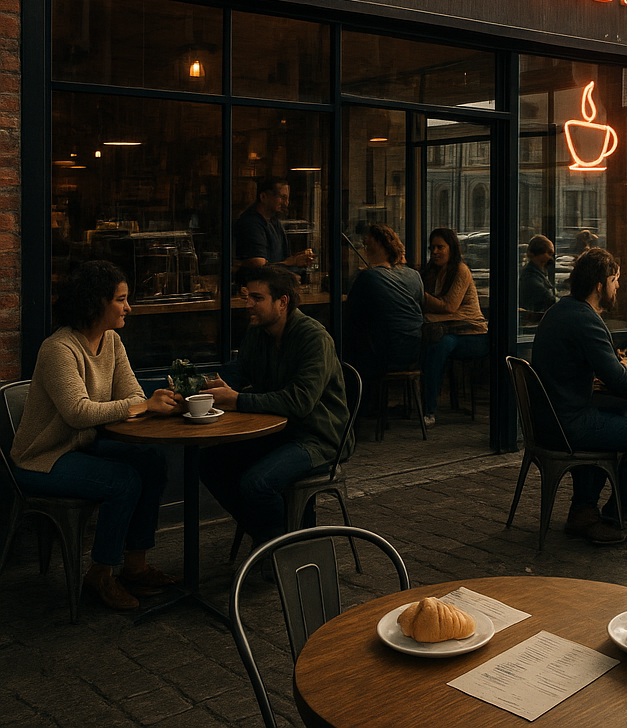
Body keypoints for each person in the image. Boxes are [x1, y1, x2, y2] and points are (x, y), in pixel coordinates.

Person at [10, 261, 182, 610]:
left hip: (81, 446)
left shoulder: (112, 341)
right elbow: (78, 413)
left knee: (151, 461)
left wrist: (141, 405)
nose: (128, 307)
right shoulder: (59, 349)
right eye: (121, 299)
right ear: (96, 303)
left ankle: (134, 567)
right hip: (42, 458)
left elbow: (133, 395)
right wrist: (142, 406)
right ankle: (100, 574)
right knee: (122, 481)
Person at [200, 266, 350, 549]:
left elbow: (300, 402)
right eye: (247, 297)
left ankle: (283, 549)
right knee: (210, 462)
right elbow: (241, 370)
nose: (248, 305)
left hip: (317, 437)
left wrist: (237, 400)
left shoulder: (313, 338)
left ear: (283, 302)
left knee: (256, 483)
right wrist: (203, 386)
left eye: (256, 298)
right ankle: (274, 536)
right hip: (277, 431)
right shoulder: (259, 332)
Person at [531, 248, 627, 544]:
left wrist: (626, 368)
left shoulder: (561, 309)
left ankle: (583, 510)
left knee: (617, 410)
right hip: (566, 425)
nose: (617, 287)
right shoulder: (586, 319)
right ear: (600, 284)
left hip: (547, 419)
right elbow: (620, 382)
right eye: (615, 280)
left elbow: (602, 367)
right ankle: (615, 515)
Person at [342, 224, 424, 409]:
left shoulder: (367, 277)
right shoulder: (414, 275)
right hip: (413, 353)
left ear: (379, 244)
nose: (364, 248)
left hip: (382, 355)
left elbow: (351, 314)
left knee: (345, 347)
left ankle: (353, 410)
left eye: (367, 243)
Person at [420, 227, 489, 426]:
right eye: (432, 247)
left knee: (441, 345)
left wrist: (418, 293)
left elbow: (449, 306)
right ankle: (421, 403)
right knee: (430, 344)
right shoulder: (432, 272)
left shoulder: (461, 270)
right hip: (447, 331)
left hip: (473, 334)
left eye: (440, 247)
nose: (435, 252)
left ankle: (429, 410)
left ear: (452, 249)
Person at [233, 176, 314, 270]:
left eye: (287, 198)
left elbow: (280, 260)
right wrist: (292, 262)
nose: (286, 203)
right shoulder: (250, 224)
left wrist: (298, 258)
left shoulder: (274, 222)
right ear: (263, 197)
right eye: (282, 197)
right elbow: (258, 265)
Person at [519, 234, 557, 316]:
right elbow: (547, 297)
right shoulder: (531, 277)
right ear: (538, 254)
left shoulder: (538, 273)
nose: (551, 258)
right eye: (549, 253)